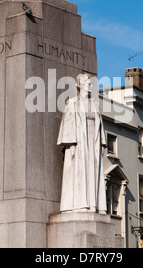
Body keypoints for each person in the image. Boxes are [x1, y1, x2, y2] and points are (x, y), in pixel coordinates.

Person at [57, 73, 107, 214]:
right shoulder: (72, 102)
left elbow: (100, 126)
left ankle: (95, 205)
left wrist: (102, 143)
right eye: (88, 83)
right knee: (81, 171)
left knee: (93, 172)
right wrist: (71, 144)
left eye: (91, 83)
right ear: (80, 85)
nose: (91, 86)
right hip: (80, 142)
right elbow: (68, 124)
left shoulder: (95, 105)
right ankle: (81, 204)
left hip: (93, 142)